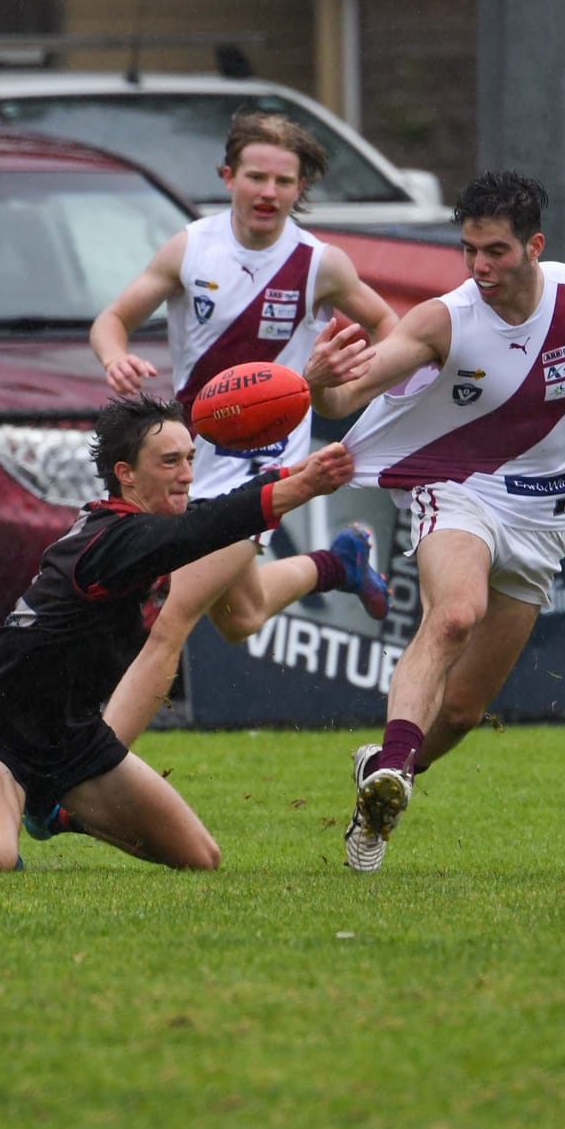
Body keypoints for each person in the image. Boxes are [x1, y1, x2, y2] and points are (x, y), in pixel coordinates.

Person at [302, 171, 565, 872]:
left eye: (496, 250)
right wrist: (322, 376)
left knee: (467, 710)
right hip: (457, 486)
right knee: (454, 614)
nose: (480, 267)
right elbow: (348, 392)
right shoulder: (445, 318)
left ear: (535, 245)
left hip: (542, 513)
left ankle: (384, 774)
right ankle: (390, 775)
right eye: (469, 249)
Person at [0, 394, 356, 871]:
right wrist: (304, 488)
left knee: (200, 859)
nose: (187, 474)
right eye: (170, 461)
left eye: (190, 459)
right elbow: (203, 529)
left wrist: (296, 472)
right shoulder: (113, 540)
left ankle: (50, 809)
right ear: (126, 473)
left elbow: (207, 516)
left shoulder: (142, 530)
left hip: (72, 738)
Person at [89, 111, 400, 745]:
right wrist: (114, 356)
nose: (268, 191)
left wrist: (346, 393)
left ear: (299, 189)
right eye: (255, 175)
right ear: (227, 176)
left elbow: (393, 329)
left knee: (171, 616)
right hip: (189, 459)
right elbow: (110, 320)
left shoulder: (321, 264)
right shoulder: (191, 248)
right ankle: (339, 563)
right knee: (243, 615)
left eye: (284, 181)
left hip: (266, 466)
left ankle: (93, 762)